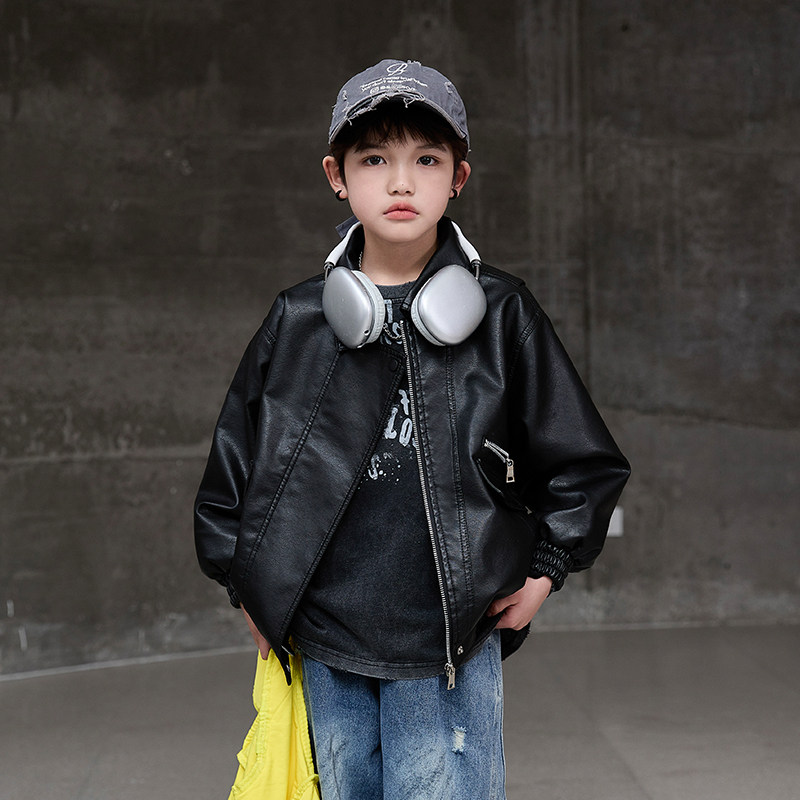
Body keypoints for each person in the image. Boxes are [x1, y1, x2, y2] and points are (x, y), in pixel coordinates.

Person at [195, 59, 630, 800]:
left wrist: (546, 569)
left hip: (450, 644)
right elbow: (232, 473)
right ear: (336, 176)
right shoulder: (297, 321)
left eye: (426, 160)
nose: (401, 183)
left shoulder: (503, 315)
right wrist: (250, 590)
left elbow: (584, 461)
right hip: (326, 640)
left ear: (458, 177)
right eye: (374, 159)